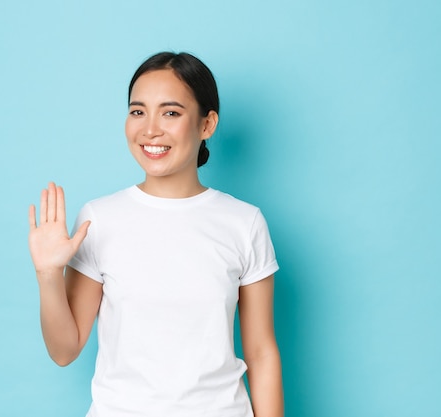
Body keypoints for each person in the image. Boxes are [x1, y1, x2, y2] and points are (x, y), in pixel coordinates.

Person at [28, 52, 284, 417]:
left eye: (171, 112)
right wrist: (48, 275)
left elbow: (261, 352)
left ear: (207, 124)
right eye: (137, 111)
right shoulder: (99, 219)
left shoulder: (244, 222)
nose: (150, 129)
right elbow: (64, 350)